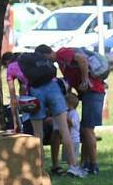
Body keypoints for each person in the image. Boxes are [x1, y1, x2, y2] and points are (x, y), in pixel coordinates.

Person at [18, 45, 87, 177]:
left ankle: (39, 169)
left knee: (38, 134)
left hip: (35, 90)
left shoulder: (24, 62)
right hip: (53, 88)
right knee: (64, 129)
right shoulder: (46, 64)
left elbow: (23, 81)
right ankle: (73, 166)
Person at [39, 45, 107, 175]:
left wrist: (86, 80)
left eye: (44, 59)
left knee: (87, 129)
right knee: (84, 129)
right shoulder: (61, 62)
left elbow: (81, 59)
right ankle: (85, 164)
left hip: (93, 91)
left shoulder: (62, 53)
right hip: (87, 92)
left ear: (46, 54)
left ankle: (93, 165)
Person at [50, 90, 81, 175]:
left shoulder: (74, 113)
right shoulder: (67, 113)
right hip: (67, 140)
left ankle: (73, 167)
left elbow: (72, 123)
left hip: (74, 139)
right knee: (67, 156)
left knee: (73, 154)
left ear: (70, 105)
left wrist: (63, 119)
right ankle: (69, 168)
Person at [3, 52, 30, 133]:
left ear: (8, 61)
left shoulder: (12, 67)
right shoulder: (26, 64)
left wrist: (15, 123)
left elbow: (13, 98)